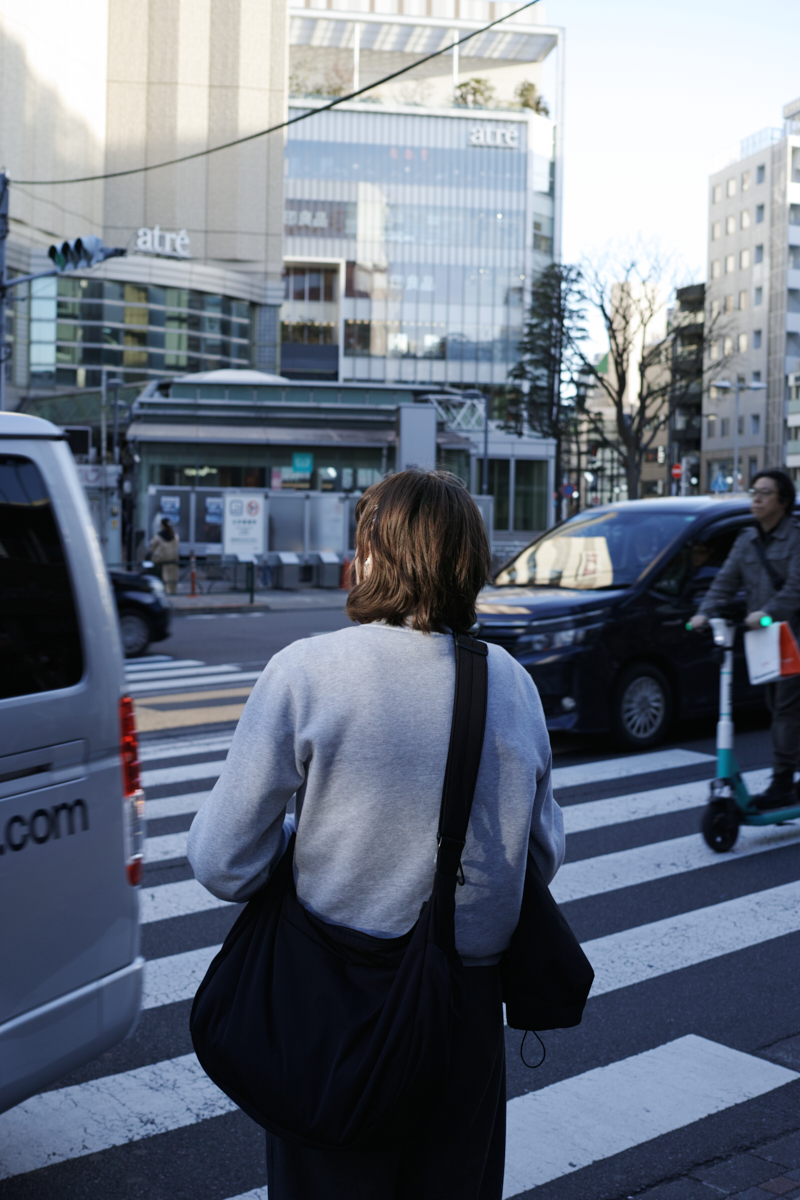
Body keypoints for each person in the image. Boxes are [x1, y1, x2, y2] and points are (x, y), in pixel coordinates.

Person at [187, 469, 564, 1200]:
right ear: (469, 561)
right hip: (467, 1017)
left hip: (336, 1001)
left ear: (371, 554)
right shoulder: (512, 683)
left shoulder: (308, 670)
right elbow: (538, 862)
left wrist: (319, 838)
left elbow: (223, 862)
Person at [689, 469, 800, 808]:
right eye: (754, 491)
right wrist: (703, 613)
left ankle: (782, 782)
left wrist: (765, 613)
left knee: (785, 709)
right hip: (765, 639)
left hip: (793, 636)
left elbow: (796, 590)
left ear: (782, 501)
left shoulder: (796, 538)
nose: (756, 498)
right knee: (776, 706)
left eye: (765, 493)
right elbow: (724, 582)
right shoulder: (746, 539)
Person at [148, 517, 180, 594]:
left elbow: (151, 547)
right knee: (172, 581)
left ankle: (164, 596)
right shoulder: (175, 536)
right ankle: (172, 594)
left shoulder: (159, 536)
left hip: (161, 563)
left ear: (162, 525)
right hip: (173, 563)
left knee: (163, 581)